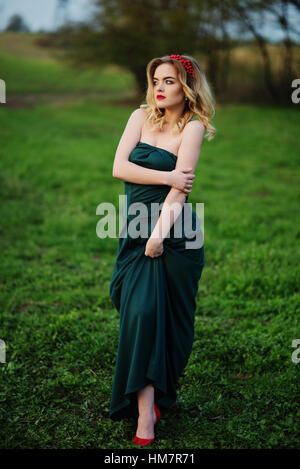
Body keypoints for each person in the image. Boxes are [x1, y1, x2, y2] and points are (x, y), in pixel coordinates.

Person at [109, 53, 216, 447]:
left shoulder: (193, 127)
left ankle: (146, 417)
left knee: (168, 321)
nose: (158, 87)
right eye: (156, 79)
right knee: (137, 311)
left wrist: (158, 235)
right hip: (135, 228)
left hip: (174, 234)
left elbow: (179, 192)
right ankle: (146, 406)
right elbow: (119, 167)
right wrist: (168, 173)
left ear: (186, 88)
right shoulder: (140, 116)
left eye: (169, 81)